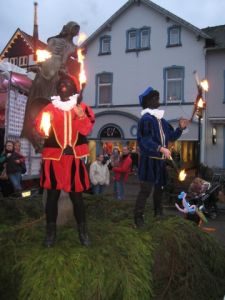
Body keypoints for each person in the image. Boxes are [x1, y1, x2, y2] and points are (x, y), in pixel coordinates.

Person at [35, 74, 95, 247]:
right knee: (52, 196)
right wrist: (45, 124)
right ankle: (50, 234)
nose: (63, 84)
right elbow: (41, 130)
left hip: (74, 159)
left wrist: (81, 116)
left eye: (67, 83)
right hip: (54, 159)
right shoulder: (49, 108)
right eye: (61, 83)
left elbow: (86, 129)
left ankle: (83, 233)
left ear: (74, 89)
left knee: (77, 197)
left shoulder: (82, 107)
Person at [134, 87, 189, 227]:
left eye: (157, 98)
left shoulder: (162, 121)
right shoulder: (145, 120)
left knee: (160, 189)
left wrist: (180, 128)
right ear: (149, 101)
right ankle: (138, 218)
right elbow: (145, 141)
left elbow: (171, 137)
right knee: (145, 190)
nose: (158, 101)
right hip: (149, 162)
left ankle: (158, 213)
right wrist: (160, 148)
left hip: (160, 163)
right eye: (155, 98)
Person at [21, 21, 81, 151]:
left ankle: (50, 133)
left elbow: (78, 59)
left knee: (54, 101)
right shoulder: (54, 40)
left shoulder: (74, 47)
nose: (76, 32)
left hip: (60, 74)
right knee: (38, 96)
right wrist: (39, 65)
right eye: (74, 29)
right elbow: (46, 54)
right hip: (47, 71)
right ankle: (34, 130)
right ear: (68, 29)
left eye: (77, 30)